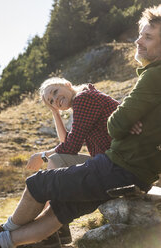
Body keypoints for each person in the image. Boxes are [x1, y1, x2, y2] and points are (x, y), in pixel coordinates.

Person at [0, 4, 161, 248]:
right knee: (58, 212)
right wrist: (124, 117)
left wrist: (123, 119)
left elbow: (112, 127)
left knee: (37, 184)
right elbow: (109, 124)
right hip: (132, 171)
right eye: (140, 35)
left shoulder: (153, 76)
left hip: (117, 167)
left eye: (148, 37)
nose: (138, 41)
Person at [25, 78, 119, 246]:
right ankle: (55, 230)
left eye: (55, 92)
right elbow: (66, 141)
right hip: (107, 161)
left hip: (113, 164)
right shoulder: (82, 99)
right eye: (51, 101)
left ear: (67, 85)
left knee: (55, 160)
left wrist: (42, 155)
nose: (56, 100)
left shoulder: (84, 99)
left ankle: (51, 231)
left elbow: (71, 147)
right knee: (56, 160)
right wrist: (55, 112)